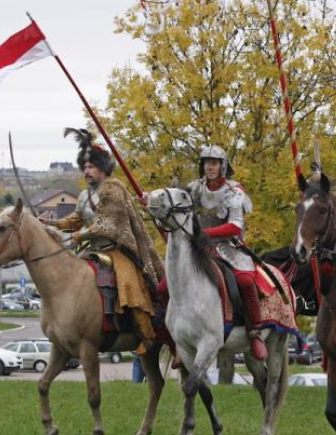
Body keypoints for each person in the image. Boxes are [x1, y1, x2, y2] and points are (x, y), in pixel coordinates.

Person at [41, 128, 165, 355]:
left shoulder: (113, 189)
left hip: (119, 250)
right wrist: (54, 223)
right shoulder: (84, 195)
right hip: (93, 250)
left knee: (128, 284)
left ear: (102, 168)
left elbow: (106, 225)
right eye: (84, 167)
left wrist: (80, 235)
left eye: (91, 167)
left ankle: (146, 334)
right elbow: (76, 219)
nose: (86, 171)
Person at [185, 145, 267, 361]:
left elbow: (235, 226)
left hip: (229, 248)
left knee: (245, 282)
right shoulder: (194, 189)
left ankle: (255, 332)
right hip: (199, 249)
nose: (209, 167)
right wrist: (151, 200)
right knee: (166, 285)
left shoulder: (234, 191)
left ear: (222, 166)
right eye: (206, 163)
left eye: (213, 163)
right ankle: (175, 337)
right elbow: (175, 204)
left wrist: (205, 233)